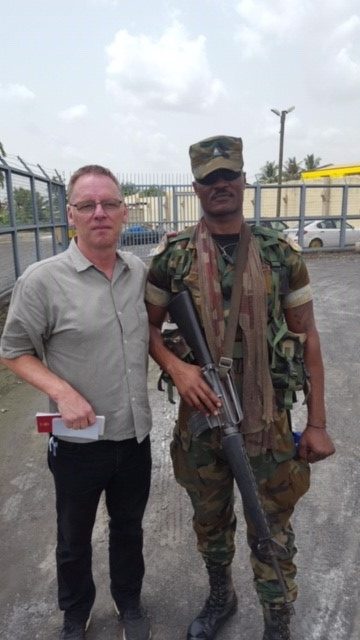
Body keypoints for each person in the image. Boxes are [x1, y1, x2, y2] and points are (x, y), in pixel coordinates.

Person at [145, 136, 335, 640]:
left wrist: (316, 423)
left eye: (229, 175)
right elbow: (145, 328)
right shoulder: (174, 257)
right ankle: (220, 596)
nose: (220, 184)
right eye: (210, 178)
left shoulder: (278, 254)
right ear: (196, 187)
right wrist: (178, 368)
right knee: (211, 520)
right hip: (200, 414)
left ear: (244, 181)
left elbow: (306, 334)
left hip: (267, 417)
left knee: (270, 522)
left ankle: (277, 620)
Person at [0, 165, 152, 640]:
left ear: (124, 211)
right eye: (87, 205)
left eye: (109, 203)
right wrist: (63, 392)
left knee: (129, 530)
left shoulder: (139, 272)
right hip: (78, 441)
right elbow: (13, 351)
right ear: (71, 215)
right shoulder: (42, 280)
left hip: (134, 435)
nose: (99, 213)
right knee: (73, 538)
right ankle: (75, 611)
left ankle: (129, 603)